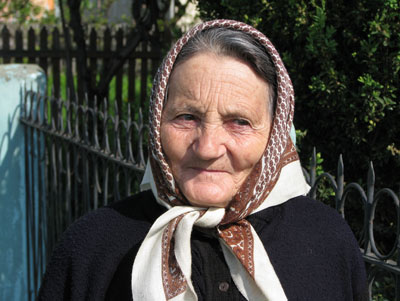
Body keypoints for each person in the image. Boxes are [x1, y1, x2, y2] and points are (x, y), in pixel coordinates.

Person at [38, 20, 367, 300]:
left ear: (275, 136)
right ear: (157, 122)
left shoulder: (327, 243)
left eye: (239, 122)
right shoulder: (92, 249)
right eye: (186, 116)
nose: (208, 147)